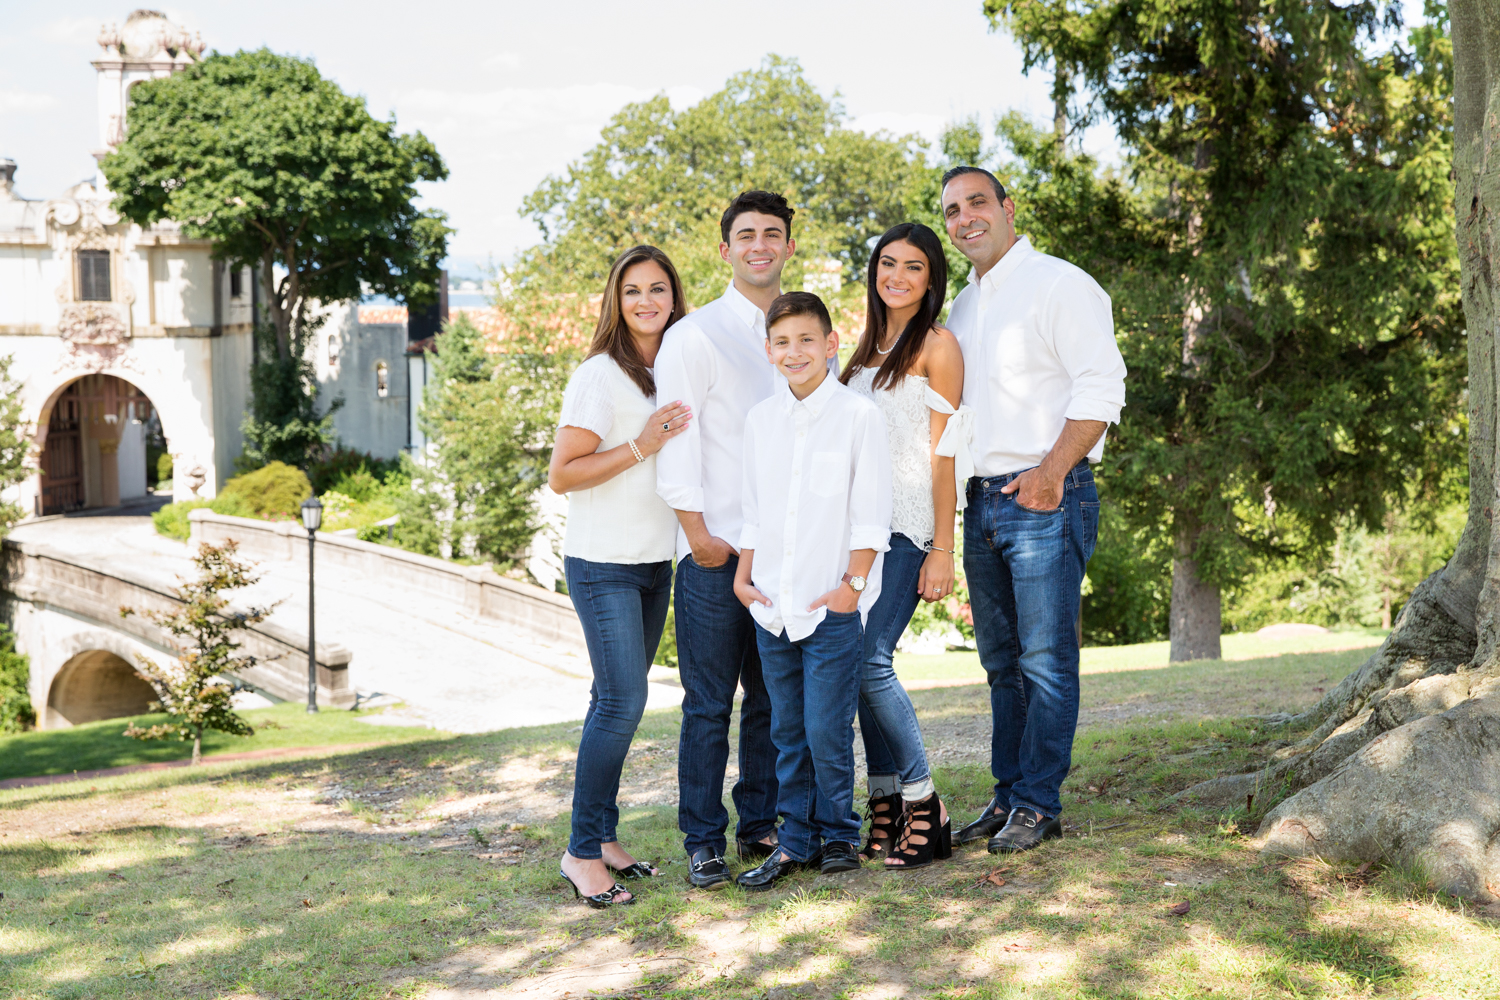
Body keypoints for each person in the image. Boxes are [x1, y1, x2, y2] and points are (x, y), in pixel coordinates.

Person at [940, 166, 1127, 853]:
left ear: (1008, 208)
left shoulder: (1060, 284)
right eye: (953, 210)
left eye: (977, 203)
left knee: (1046, 660)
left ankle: (1039, 804)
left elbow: (1103, 386)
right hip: (982, 501)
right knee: (1001, 664)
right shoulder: (962, 307)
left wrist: (1052, 472)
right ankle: (1008, 795)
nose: (966, 218)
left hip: (1047, 493)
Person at [655, 191, 796, 889]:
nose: (760, 245)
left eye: (773, 234)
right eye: (747, 235)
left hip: (779, 553)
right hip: (714, 552)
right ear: (726, 249)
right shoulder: (696, 335)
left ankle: (761, 822)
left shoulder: (799, 331)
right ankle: (702, 838)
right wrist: (698, 537)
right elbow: (676, 445)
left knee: (771, 697)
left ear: (789, 247)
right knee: (709, 702)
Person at [548, 245, 694, 908]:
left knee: (610, 699)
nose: (646, 301)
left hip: (651, 561)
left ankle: (602, 837)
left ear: (673, 296)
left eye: (657, 289)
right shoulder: (599, 375)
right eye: (632, 290)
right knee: (623, 701)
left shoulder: (667, 369)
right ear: (617, 299)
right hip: (602, 563)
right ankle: (581, 854)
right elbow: (564, 474)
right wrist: (643, 445)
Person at [732, 291, 892, 889]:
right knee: (786, 733)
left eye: (806, 340)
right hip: (771, 605)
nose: (794, 351)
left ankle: (839, 835)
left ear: (830, 344)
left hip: (830, 607)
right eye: (781, 342)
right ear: (769, 351)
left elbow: (871, 516)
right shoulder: (760, 422)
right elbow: (755, 512)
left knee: (827, 729)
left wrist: (851, 587)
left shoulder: (858, 417)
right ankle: (794, 840)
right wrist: (744, 578)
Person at [840, 222, 968, 869]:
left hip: (908, 529)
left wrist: (944, 547)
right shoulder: (862, 351)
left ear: (931, 278)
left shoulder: (938, 346)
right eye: (887, 264)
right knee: (858, 671)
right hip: (858, 534)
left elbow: (947, 455)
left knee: (870, 663)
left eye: (912, 267)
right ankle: (884, 804)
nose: (896, 276)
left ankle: (926, 803)